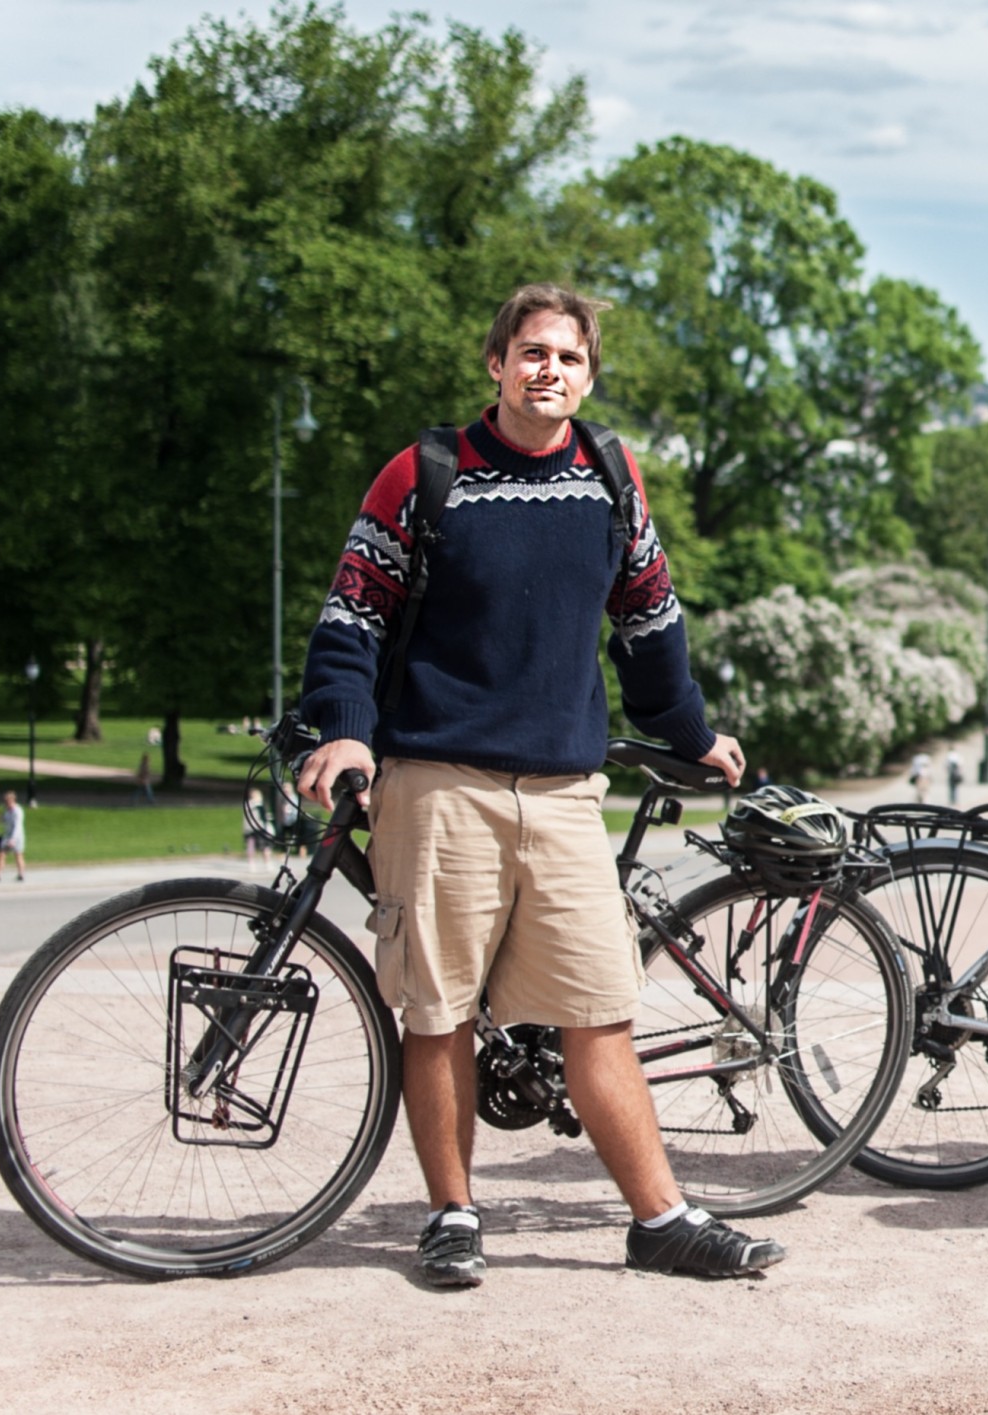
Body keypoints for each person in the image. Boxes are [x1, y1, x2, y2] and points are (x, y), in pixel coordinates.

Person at [294, 282, 778, 1289]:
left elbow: (649, 620)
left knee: (600, 1005)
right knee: (438, 1012)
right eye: (531, 351)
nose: (548, 369)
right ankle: (451, 1214)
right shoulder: (423, 473)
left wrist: (690, 731)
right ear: (497, 363)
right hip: (438, 779)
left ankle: (661, 1219)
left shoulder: (610, 475)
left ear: (587, 376)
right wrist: (344, 732)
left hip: (563, 792)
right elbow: (353, 616)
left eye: (568, 356)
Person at [0, 789, 27, 882]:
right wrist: (0, 819)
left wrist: (13, 839)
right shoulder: (7, 811)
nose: (5, 802)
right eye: (5, 801)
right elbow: (6, 821)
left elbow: (17, 826)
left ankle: (21, 874)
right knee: (1, 853)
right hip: (7, 835)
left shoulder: (18, 811)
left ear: (12, 800)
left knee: (18, 854)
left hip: (17, 836)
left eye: (7, 800)